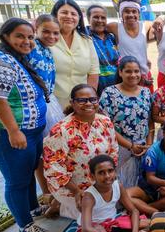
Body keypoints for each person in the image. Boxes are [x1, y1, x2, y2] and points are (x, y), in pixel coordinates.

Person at [0, 18, 52, 232]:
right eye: (20, 36)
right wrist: (13, 130)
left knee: (27, 171)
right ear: (6, 37)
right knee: (16, 179)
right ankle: (25, 225)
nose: (26, 41)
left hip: (31, 131)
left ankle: (32, 208)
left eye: (30, 37)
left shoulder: (17, 59)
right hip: (4, 133)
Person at [43, 84, 118, 219]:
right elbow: (54, 169)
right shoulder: (61, 131)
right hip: (72, 187)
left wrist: (108, 176)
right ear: (72, 103)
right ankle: (59, 206)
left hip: (100, 179)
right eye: (82, 100)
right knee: (97, 218)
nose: (88, 103)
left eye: (92, 99)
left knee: (112, 206)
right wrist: (77, 191)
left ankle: (58, 204)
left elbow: (113, 150)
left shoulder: (105, 121)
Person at [99, 56, 153, 188]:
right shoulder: (109, 93)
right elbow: (107, 125)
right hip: (119, 148)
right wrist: (130, 146)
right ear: (120, 72)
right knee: (119, 184)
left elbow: (150, 121)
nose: (133, 75)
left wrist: (149, 145)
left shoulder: (146, 92)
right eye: (128, 71)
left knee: (141, 185)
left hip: (143, 147)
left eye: (136, 71)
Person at [50, 0, 99, 107]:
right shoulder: (47, 40)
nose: (69, 16)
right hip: (53, 103)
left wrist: (88, 100)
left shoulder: (87, 41)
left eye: (73, 14)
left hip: (81, 103)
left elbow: (93, 72)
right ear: (55, 15)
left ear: (79, 18)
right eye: (64, 12)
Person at [106, 0, 154, 85]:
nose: (131, 14)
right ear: (121, 13)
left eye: (134, 11)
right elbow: (98, 30)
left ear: (138, 13)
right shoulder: (114, 27)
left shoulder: (146, 25)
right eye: (127, 11)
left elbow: (160, 23)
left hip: (144, 75)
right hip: (126, 76)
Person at [86, 4, 119, 95]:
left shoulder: (112, 37)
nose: (100, 20)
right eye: (96, 17)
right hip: (95, 89)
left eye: (103, 18)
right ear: (89, 19)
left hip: (117, 89)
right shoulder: (84, 37)